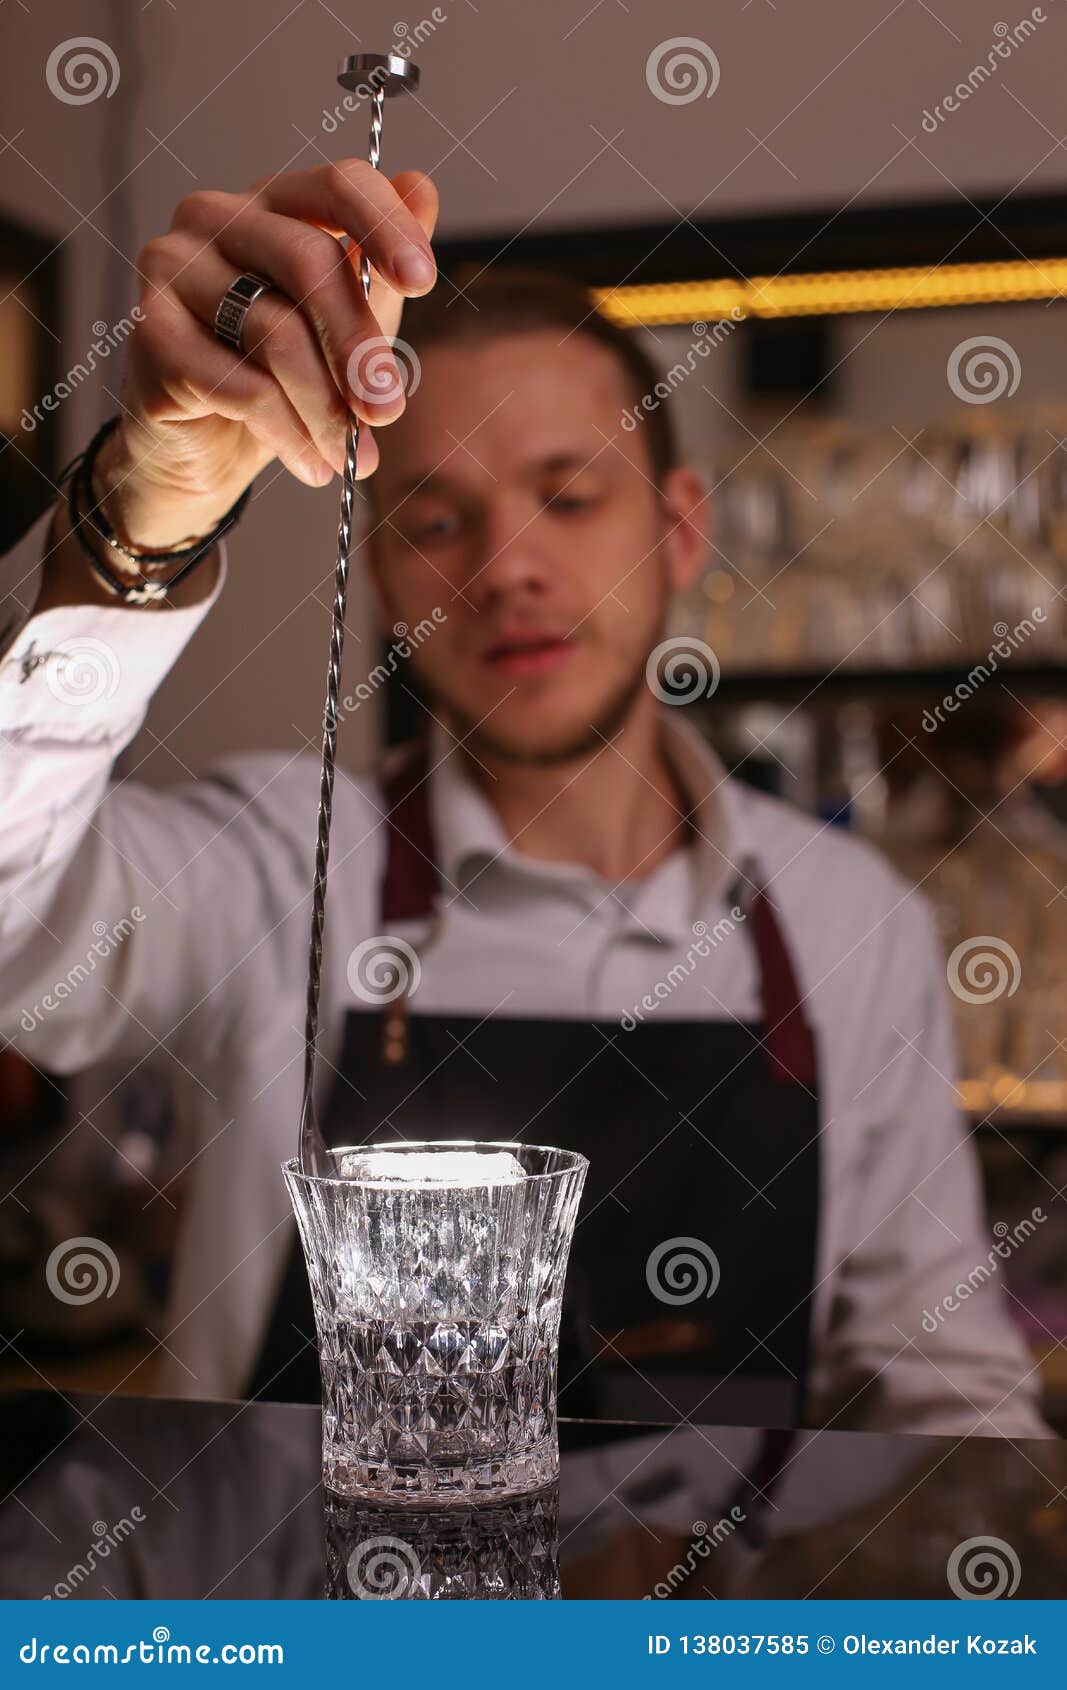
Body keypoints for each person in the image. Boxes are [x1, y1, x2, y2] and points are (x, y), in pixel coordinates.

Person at [0, 159, 1048, 1437]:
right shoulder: (280, 861)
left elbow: (937, 1385)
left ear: (675, 531)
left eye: (566, 495)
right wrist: (134, 523)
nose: (506, 570)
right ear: (380, 572)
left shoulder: (846, 918)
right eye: (436, 520)